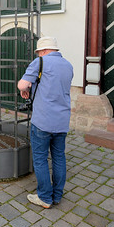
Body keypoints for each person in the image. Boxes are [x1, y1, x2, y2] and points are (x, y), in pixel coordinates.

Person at [18, 37, 73, 208]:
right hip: (62, 120)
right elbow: (54, 87)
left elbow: (22, 85)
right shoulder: (68, 65)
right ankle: (57, 195)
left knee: (40, 159)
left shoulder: (39, 62)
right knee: (59, 157)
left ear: (42, 51)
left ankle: (44, 197)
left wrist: (26, 88)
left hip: (42, 120)